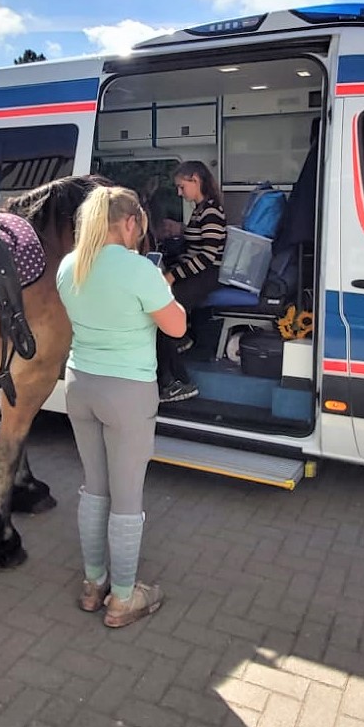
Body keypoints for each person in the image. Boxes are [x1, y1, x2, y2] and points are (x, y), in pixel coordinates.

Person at [56, 186, 187, 627]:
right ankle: (124, 599)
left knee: (95, 488)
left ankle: (94, 585)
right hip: (128, 391)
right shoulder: (138, 270)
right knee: (127, 497)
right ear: (130, 223)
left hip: (80, 385)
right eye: (139, 228)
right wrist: (165, 288)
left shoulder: (69, 265)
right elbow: (176, 326)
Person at [155, 160, 226, 403]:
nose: (179, 193)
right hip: (197, 273)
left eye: (181, 187)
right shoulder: (200, 209)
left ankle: (177, 382)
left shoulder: (211, 211)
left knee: (162, 319)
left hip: (206, 275)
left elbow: (207, 256)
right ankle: (181, 339)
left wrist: (172, 275)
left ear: (195, 179)